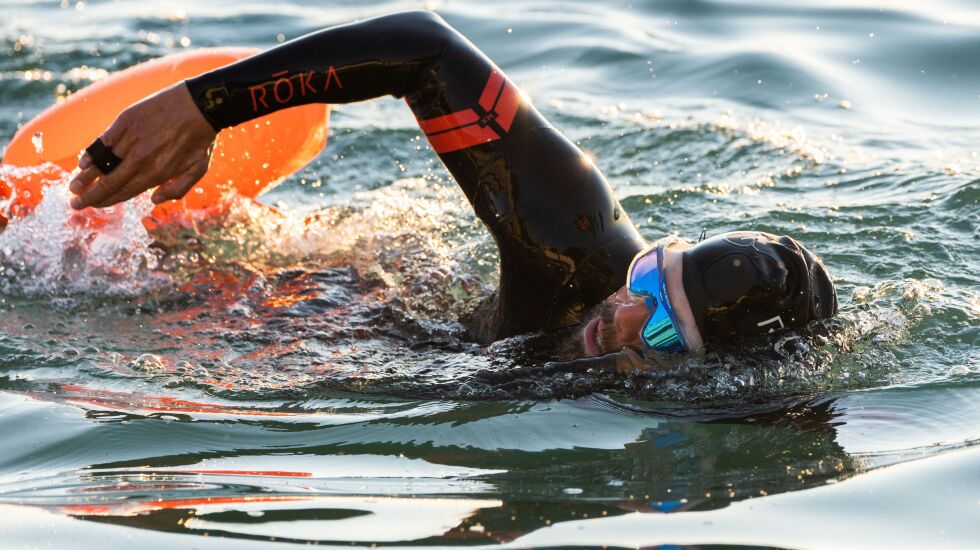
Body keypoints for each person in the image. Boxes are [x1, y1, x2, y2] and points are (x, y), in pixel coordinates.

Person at [68, 11, 837, 371]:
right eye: (649, 279)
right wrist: (205, 107)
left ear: (710, 377)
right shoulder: (575, 247)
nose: (623, 312)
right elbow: (425, 48)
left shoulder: (730, 413)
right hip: (339, 308)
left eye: (663, 329)